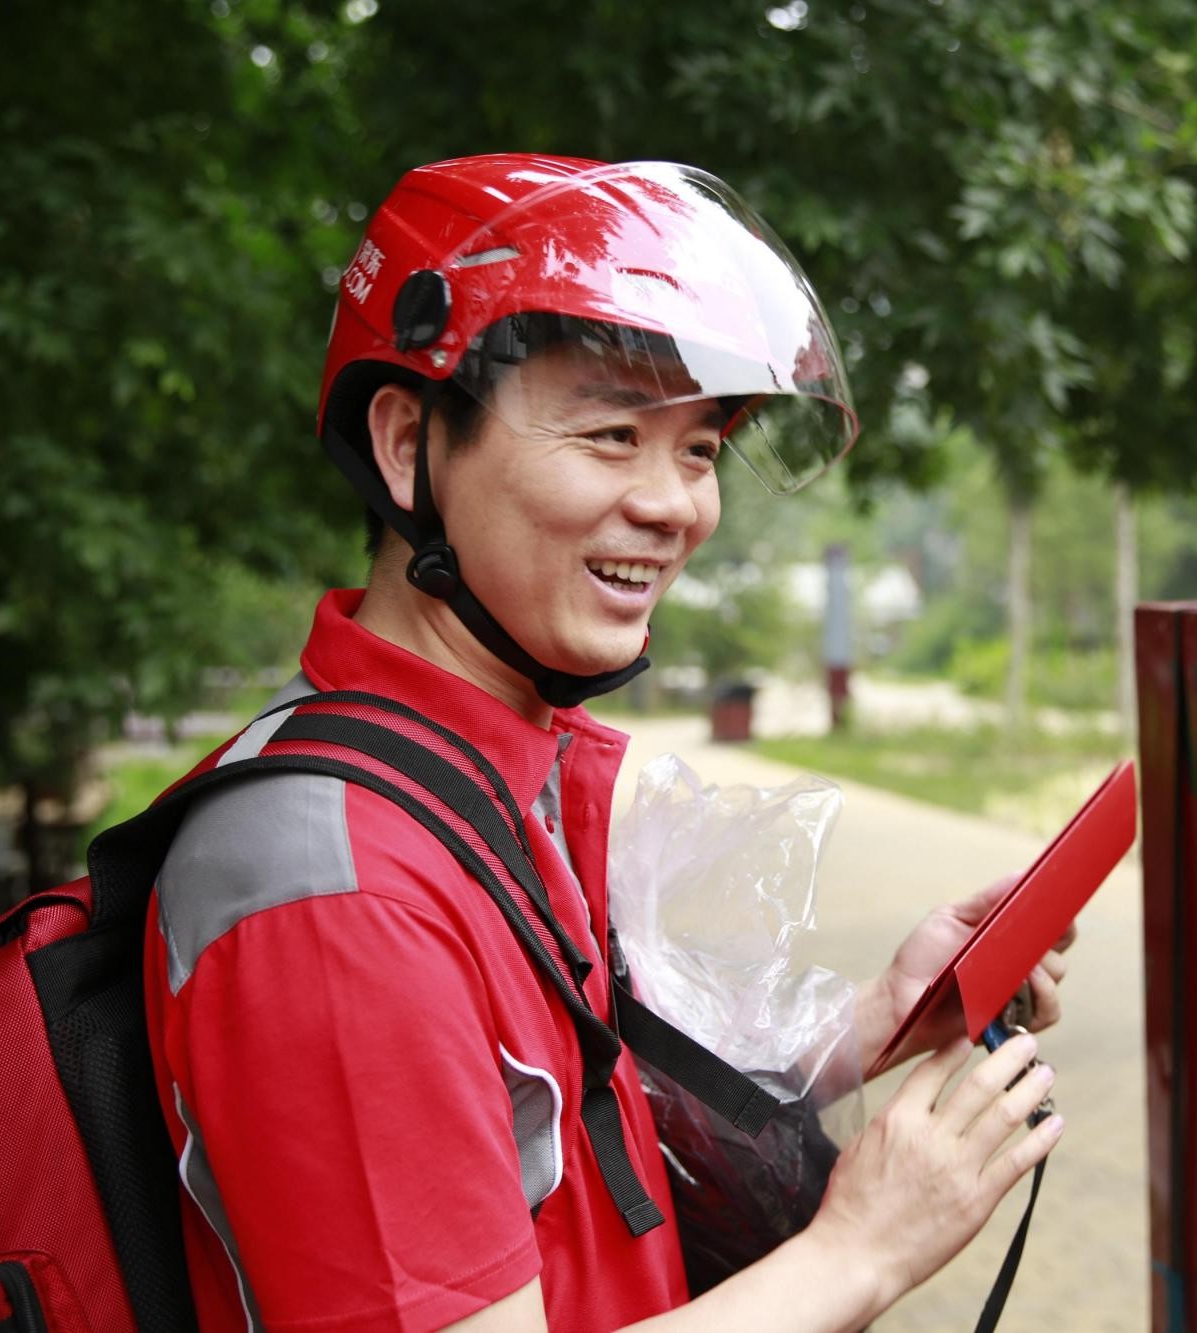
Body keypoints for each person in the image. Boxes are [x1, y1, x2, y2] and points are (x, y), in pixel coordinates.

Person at [144, 153, 1073, 1332]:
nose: (677, 505)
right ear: (404, 446)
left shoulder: (492, 779)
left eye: (696, 448)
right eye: (610, 434)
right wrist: (858, 1250)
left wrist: (878, 1019)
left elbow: (580, 1122)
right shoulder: (335, 892)